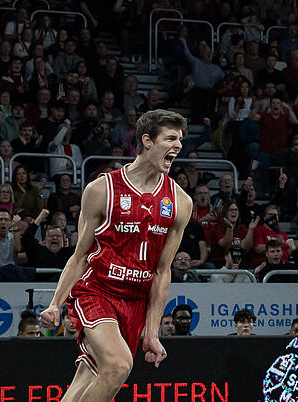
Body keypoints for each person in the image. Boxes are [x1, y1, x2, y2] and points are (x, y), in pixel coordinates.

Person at [39, 110, 191, 402]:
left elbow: (162, 272)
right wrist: (55, 304)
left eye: (180, 139)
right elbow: (80, 255)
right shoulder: (101, 189)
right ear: (147, 140)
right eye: (170, 138)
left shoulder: (180, 202)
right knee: (119, 365)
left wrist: (152, 332)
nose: (178, 145)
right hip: (97, 292)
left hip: (135, 300)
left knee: (91, 376)